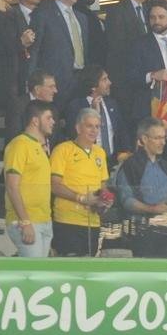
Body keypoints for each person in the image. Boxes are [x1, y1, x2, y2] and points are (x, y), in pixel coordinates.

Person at [124, 0, 167, 133]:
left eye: (161, 17)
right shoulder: (139, 45)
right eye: (152, 17)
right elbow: (130, 77)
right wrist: (152, 75)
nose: (156, 21)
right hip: (154, 108)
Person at [49, 107, 110, 256]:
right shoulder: (62, 150)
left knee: (89, 269)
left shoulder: (100, 152)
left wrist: (105, 200)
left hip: (93, 222)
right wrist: (82, 198)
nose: (94, 130)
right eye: (89, 126)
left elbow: (103, 185)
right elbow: (54, 185)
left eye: (97, 126)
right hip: (68, 221)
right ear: (78, 128)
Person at [114, 117, 167, 257]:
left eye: (164, 137)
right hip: (140, 231)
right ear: (144, 139)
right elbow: (126, 200)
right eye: (157, 138)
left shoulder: (166, 166)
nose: (163, 142)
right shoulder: (130, 165)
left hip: (165, 230)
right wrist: (153, 209)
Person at [29, 0, 91, 111]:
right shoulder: (43, 13)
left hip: (79, 82)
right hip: (54, 84)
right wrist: (32, 83)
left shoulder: (82, 18)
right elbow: (34, 50)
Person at [4, 100, 56, 258]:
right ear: (35, 120)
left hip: (44, 220)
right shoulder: (19, 145)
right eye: (48, 118)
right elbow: (12, 186)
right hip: (27, 221)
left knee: (40, 276)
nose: (53, 122)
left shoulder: (40, 147)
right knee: (33, 275)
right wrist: (25, 222)